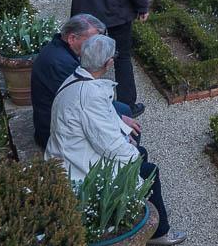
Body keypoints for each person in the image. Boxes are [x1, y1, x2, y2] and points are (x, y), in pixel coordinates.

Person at [45, 34, 184, 246]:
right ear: (109, 63)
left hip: (73, 153)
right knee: (149, 171)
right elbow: (108, 144)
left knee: (140, 152)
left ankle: (137, 207)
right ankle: (158, 232)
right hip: (77, 168)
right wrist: (132, 149)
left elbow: (100, 120)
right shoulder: (89, 94)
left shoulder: (77, 78)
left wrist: (126, 133)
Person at [30, 14, 140, 150]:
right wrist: (119, 124)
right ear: (72, 38)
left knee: (124, 109)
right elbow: (84, 103)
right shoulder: (61, 63)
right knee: (130, 126)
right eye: (93, 40)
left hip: (60, 116)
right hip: (55, 133)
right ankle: (131, 164)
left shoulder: (60, 50)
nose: (97, 45)